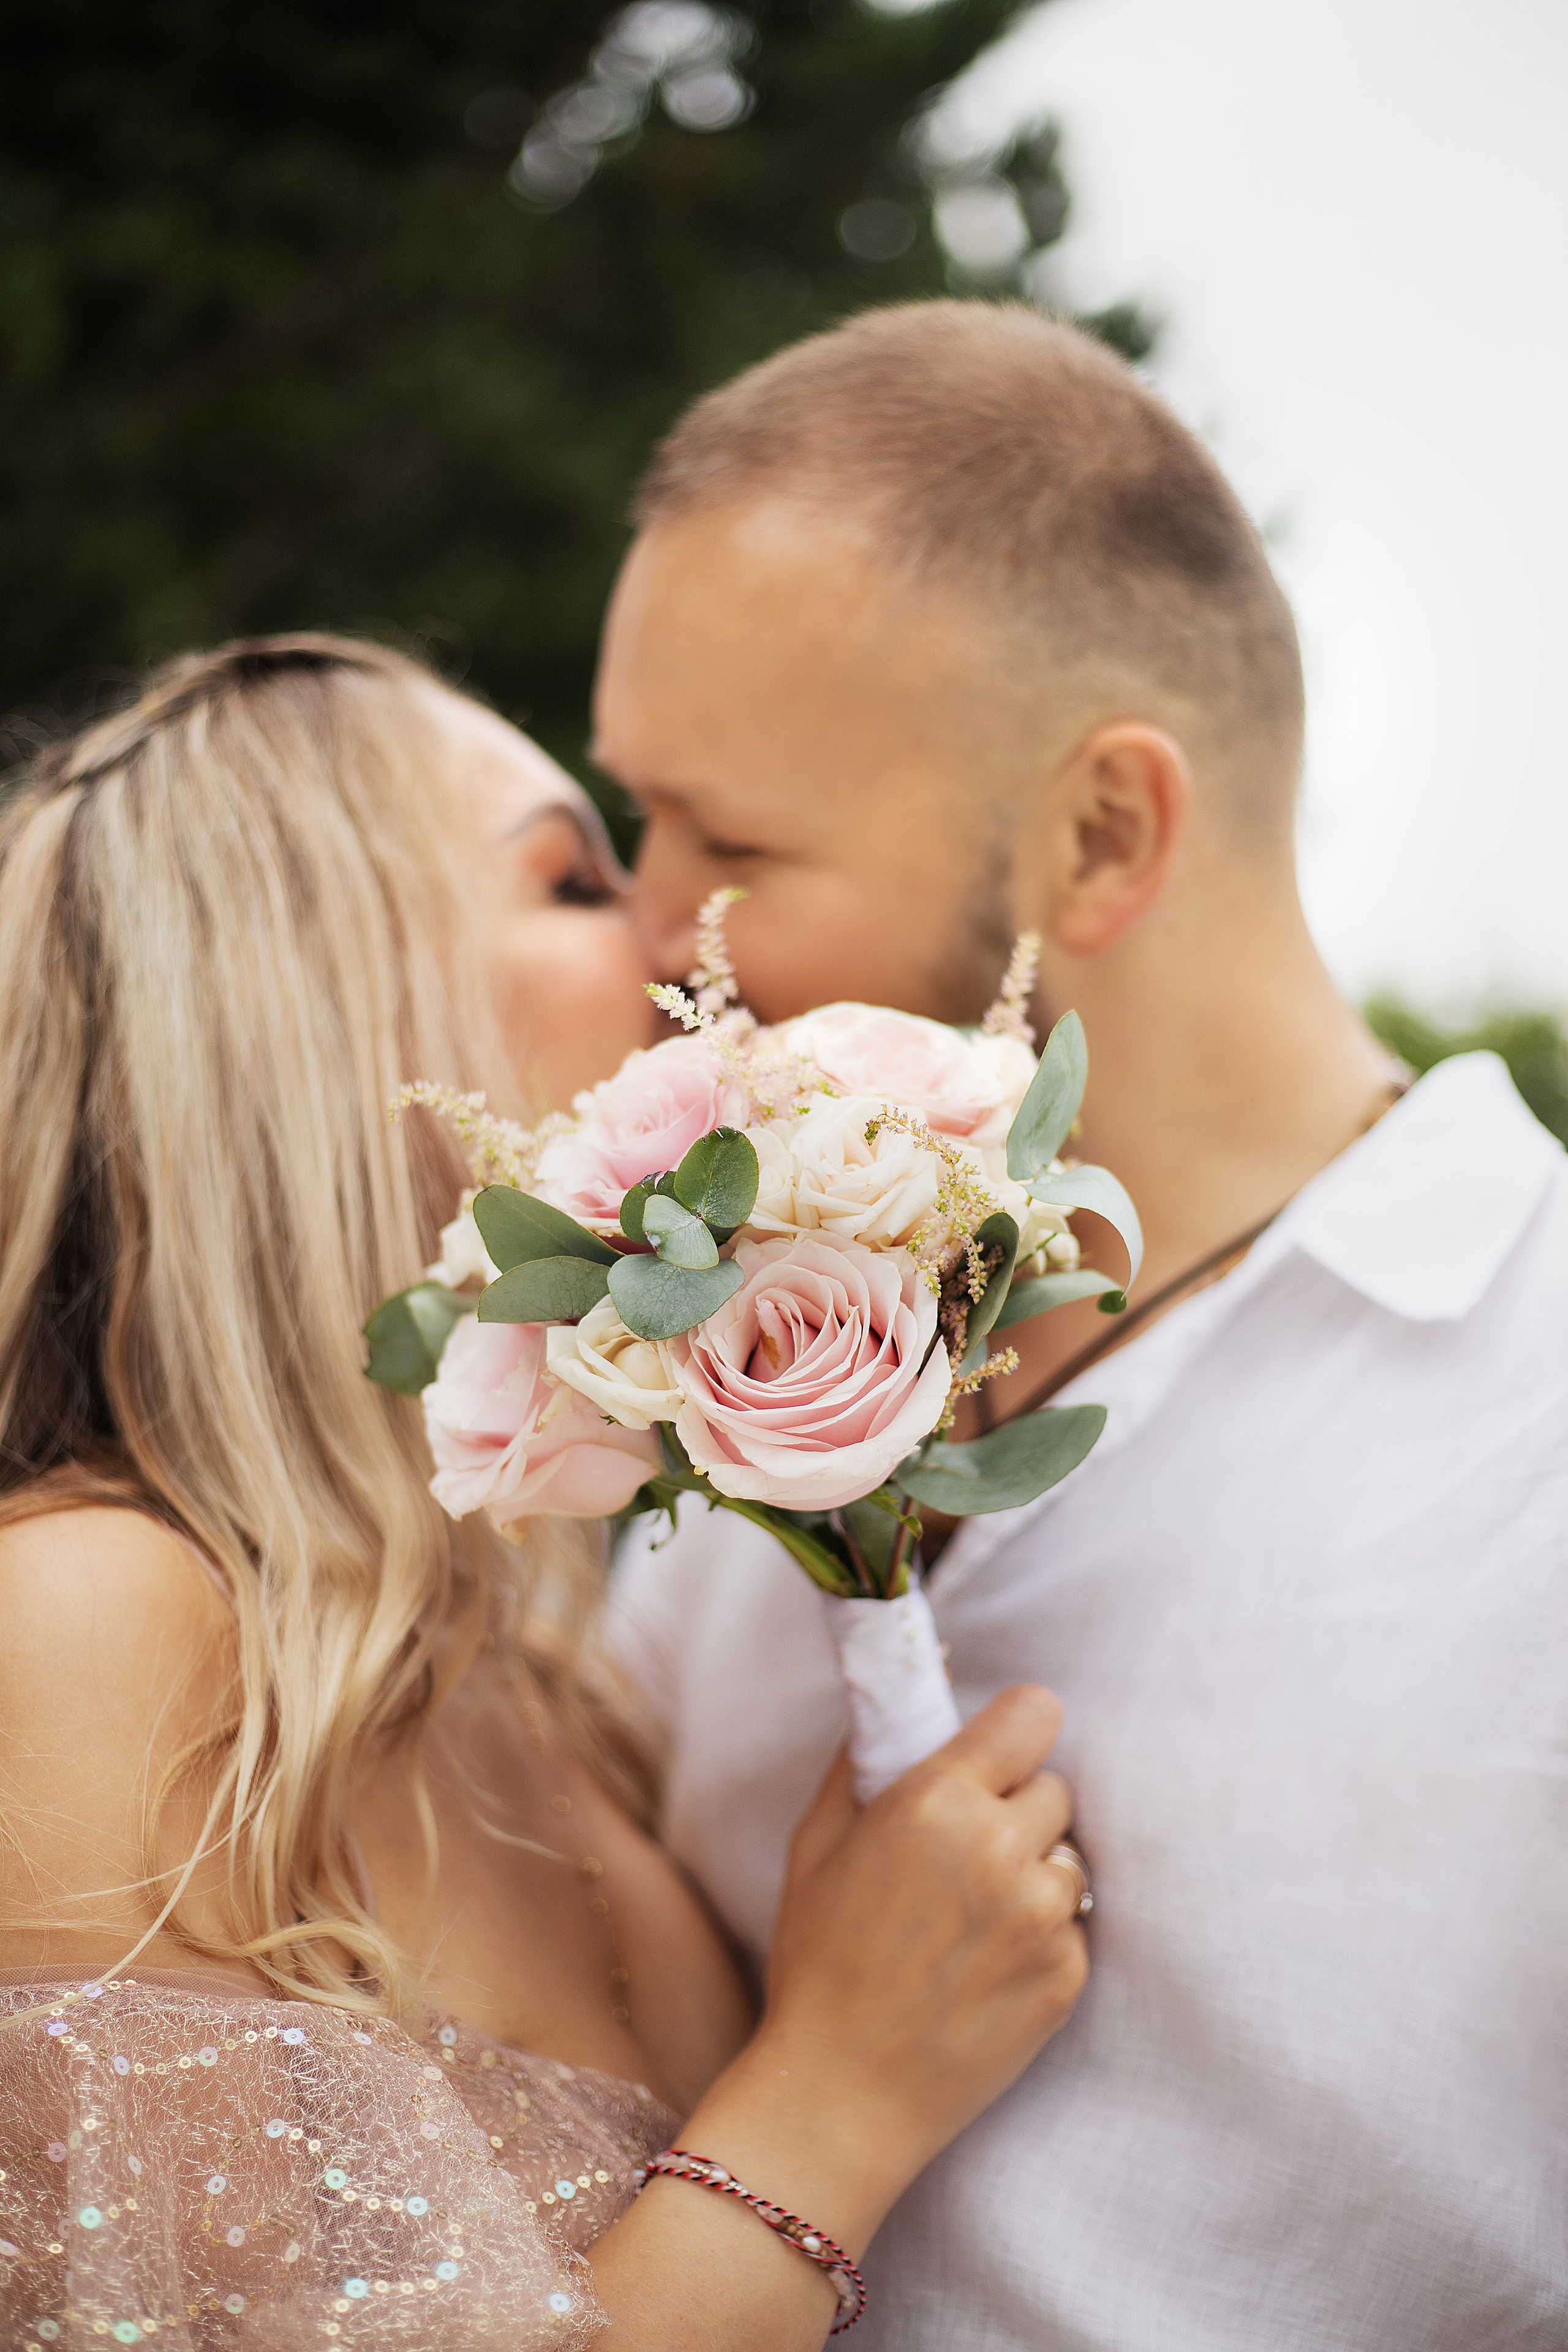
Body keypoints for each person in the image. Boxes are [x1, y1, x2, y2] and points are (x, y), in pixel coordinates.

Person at [599, 303, 1568, 2349]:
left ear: (1103, 837)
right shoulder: (708, 1383)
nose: (634, 931)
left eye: (731, 847)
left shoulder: (1536, 1428)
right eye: (635, 818)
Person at [0, 633, 1092, 2349]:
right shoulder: (82, 1634)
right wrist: (835, 2098)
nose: (687, 937)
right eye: (580, 877)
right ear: (323, 999)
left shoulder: (565, 1688)